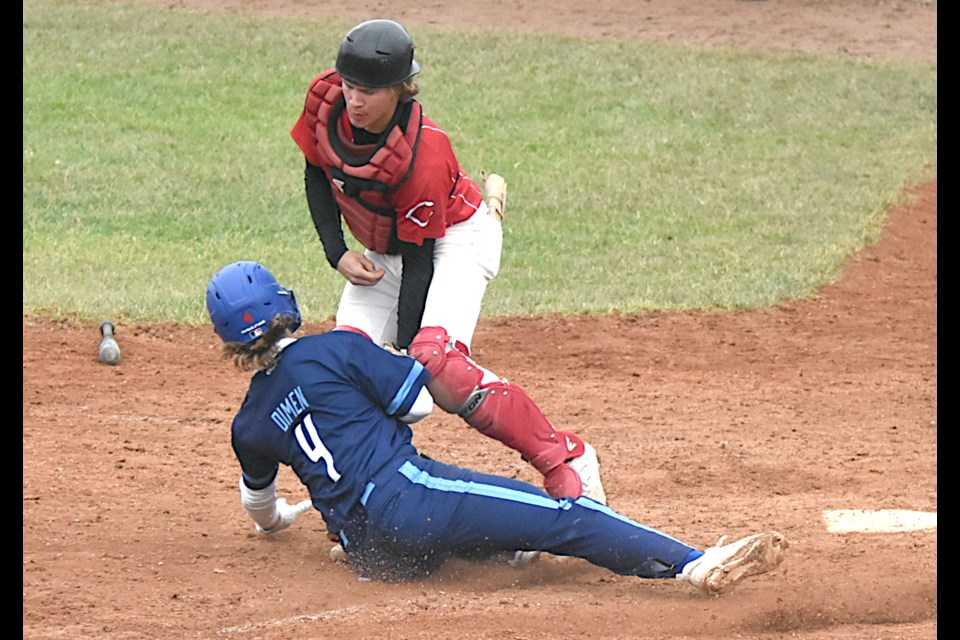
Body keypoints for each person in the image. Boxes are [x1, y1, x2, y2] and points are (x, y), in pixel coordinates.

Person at [205, 260, 789, 593]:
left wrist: (285, 516)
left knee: (476, 534)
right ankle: (695, 564)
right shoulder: (335, 350)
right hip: (412, 500)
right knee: (563, 515)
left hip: (371, 553)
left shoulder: (249, 421)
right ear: (284, 306)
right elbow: (418, 408)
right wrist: (381, 375)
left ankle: (508, 552)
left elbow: (264, 512)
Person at [288, 18, 607, 506]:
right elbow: (317, 172)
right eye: (350, 85)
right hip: (385, 249)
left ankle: (567, 460)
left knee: (437, 365)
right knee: (344, 367)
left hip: (456, 239)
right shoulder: (327, 106)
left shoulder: (422, 154)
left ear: (399, 90)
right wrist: (337, 253)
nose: (354, 100)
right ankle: (369, 500)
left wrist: (403, 355)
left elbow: (420, 263)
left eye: (369, 91)